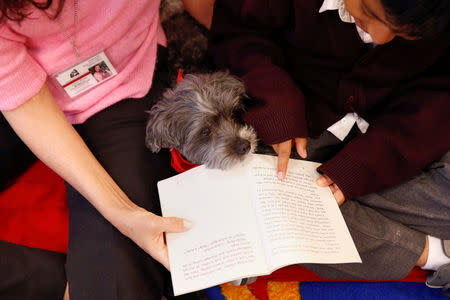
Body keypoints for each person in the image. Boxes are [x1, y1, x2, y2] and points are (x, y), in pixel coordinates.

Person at [185, 0, 450, 294]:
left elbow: (437, 105)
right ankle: (435, 252)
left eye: (406, 34)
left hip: (398, 136)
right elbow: (237, 36)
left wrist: (365, 167)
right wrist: (275, 103)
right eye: (370, 13)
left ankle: (304, 207)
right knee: (245, 195)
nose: (380, 37)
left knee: (275, 211)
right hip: (295, 130)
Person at [0, 1, 198, 299]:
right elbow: (19, 94)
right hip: (14, 96)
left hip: (121, 82)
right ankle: (56, 283)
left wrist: (123, 212)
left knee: (119, 277)